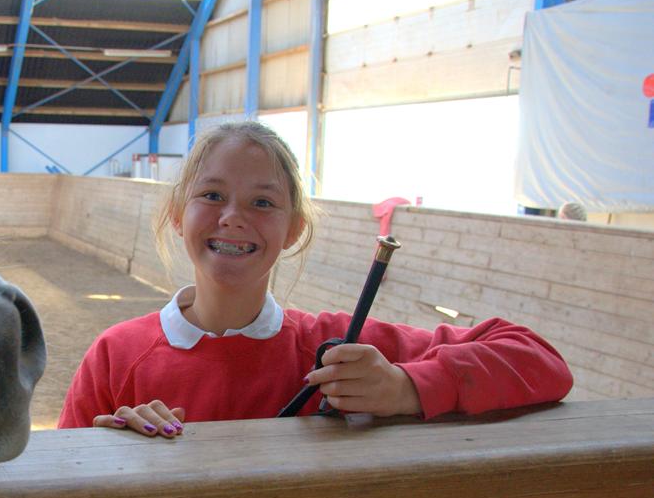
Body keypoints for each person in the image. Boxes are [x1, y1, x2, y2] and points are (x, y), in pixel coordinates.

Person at [57, 122, 573, 436]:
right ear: (176, 212)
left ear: (294, 230)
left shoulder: (336, 351)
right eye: (211, 195)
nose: (233, 217)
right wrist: (107, 450)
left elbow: (539, 359)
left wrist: (404, 386)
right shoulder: (116, 355)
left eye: (262, 202)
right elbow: (61, 485)